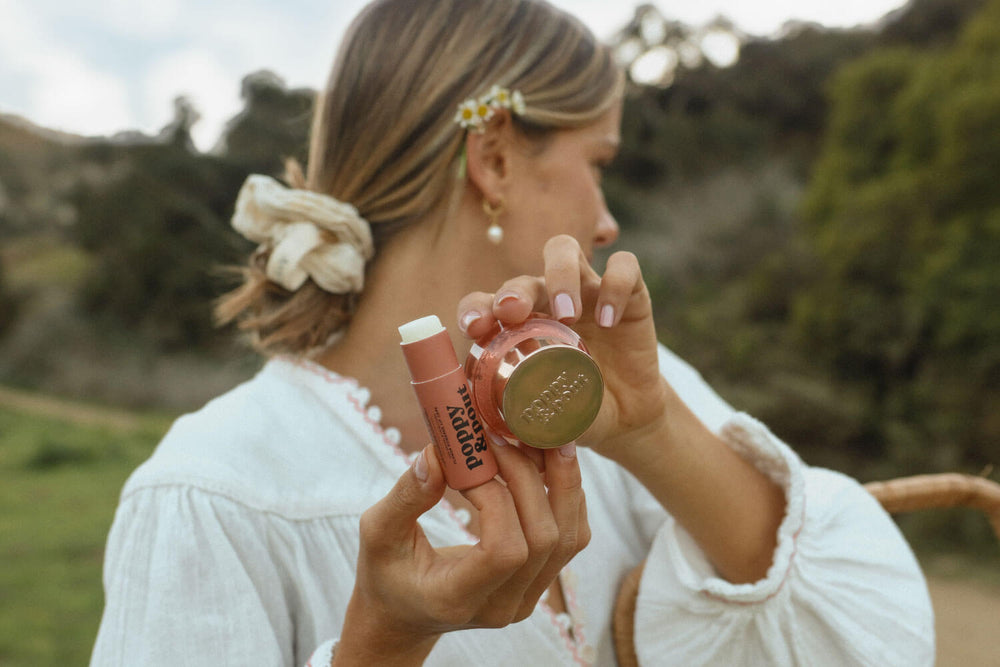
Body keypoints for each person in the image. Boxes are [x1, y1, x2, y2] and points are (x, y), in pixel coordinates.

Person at [90, 0, 935, 665]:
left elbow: (866, 643)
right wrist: (383, 641)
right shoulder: (211, 495)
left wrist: (651, 430)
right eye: (597, 162)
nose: (606, 221)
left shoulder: (600, 385)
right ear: (493, 158)